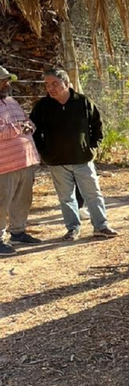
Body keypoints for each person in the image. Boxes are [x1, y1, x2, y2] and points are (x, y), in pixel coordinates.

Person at [30, 68, 118, 240]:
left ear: (66, 83)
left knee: (93, 194)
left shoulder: (83, 102)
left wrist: (92, 148)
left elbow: (97, 126)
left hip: (82, 159)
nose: (50, 88)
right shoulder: (42, 107)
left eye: (55, 84)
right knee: (66, 198)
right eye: (47, 85)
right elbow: (33, 131)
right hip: (56, 162)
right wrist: (43, 152)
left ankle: (101, 226)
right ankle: (73, 229)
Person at [0, 65, 42, 255]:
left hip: (25, 161)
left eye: (7, 80)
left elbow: (28, 123)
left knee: (22, 200)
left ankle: (18, 232)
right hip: (4, 165)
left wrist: (28, 126)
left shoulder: (12, 101)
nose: (7, 83)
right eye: (3, 80)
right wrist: (19, 127)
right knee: (2, 203)